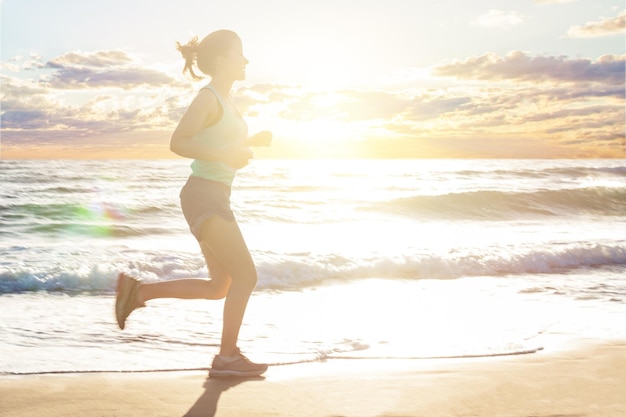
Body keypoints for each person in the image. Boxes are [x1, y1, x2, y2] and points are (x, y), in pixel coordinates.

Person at [115, 29, 272, 378]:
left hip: (214, 193)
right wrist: (227, 153)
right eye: (239, 53)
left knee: (220, 287)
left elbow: (218, 144)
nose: (246, 60)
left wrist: (251, 141)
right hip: (205, 194)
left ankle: (138, 292)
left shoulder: (227, 101)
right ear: (220, 60)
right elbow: (179, 142)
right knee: (246, 275)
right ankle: (227, 357)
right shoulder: (208, 97)